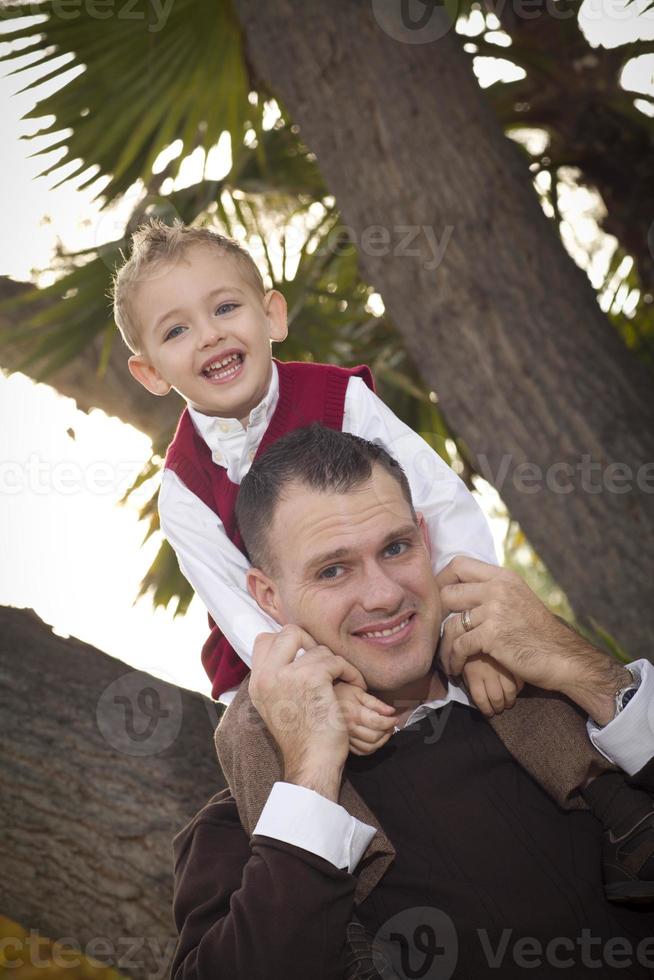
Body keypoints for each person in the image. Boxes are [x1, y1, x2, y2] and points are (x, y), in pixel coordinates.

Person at [113, 219, 652, 902]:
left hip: (391, 594)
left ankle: (614, 804)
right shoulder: (182, 488)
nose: (211, 334)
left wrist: (467, 623)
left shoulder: (342, 398)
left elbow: (439, 502)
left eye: (225, 308)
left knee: (508, 641)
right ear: (149, 372)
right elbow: (240, 611)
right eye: (176, 330)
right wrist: (321, 682)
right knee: (248, 730)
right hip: (278, 647)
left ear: (271, 314)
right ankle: (354, 891)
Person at [171, 426, 654, 979]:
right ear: (269, 598)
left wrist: (587, 674)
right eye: (333, 570)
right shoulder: (250, 827)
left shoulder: (563, 711)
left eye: (396, 548)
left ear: (425, 538)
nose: (383, 595)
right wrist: (310, 779)